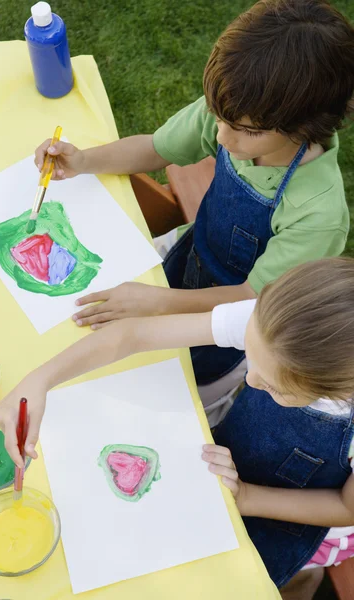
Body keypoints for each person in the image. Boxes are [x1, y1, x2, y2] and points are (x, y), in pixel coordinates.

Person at [34, 0, 353, 399]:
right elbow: (155, 149)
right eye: (218, 119)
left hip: (232, 328)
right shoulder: (237, 108)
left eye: (241, 130)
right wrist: (83, 161)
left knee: (173, 393)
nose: (221, 137)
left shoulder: (317, 213)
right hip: (188, 256)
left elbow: (251, 302)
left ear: (305, 125)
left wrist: (159, 303)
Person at [0, 257, 354, 599]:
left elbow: (344, 505)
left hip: (302, 515)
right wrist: (39, 380)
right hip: (235, 464)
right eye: (250, 356)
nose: (248, 378)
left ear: (336, 390)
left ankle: (303, 584)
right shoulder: (273, 325)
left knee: (268, 576)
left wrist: (245, 497)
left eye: (273, 386)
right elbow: (133, 335)